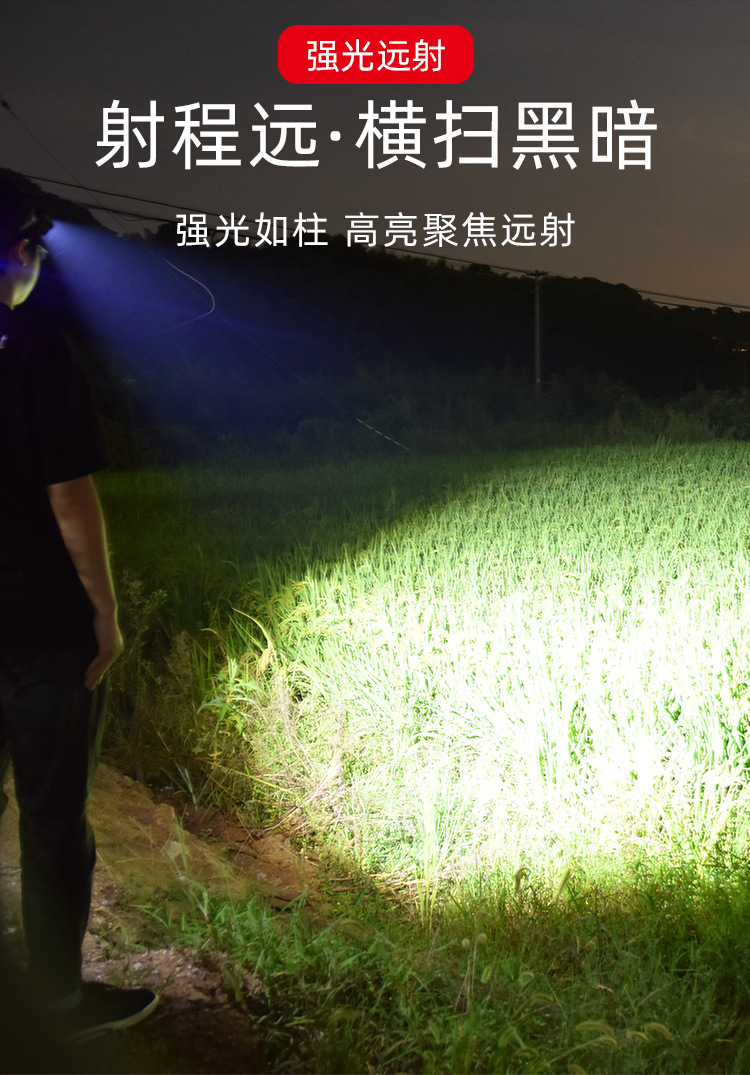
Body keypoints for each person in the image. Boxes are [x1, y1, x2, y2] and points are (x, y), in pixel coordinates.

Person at [0, 178, 158, 1043]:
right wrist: (104, 610)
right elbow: (68, 495)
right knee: (53, 816)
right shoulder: (35, 348)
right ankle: (57, 1004)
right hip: (39, 625)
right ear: (21, 253)